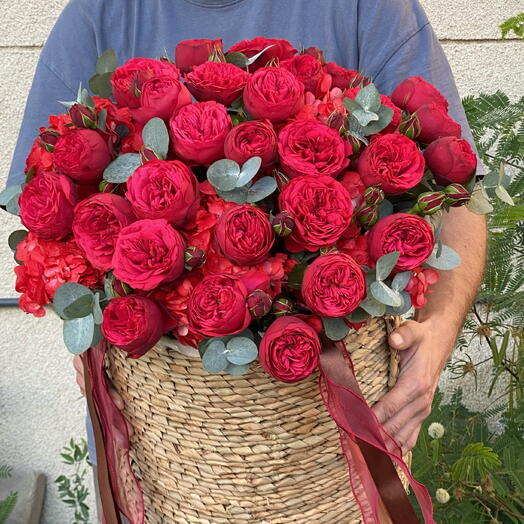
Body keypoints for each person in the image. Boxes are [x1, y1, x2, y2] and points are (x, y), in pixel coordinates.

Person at [8, 0, 486, 506]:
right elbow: (44, 215)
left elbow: (461, 194)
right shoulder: (100, 13)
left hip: (334, 449)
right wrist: (89, 318)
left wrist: (436, 334)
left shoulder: (373, 8)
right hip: (162, 449)